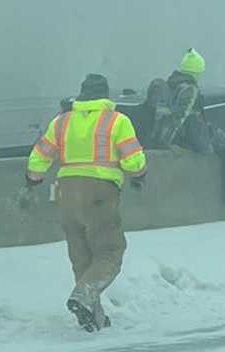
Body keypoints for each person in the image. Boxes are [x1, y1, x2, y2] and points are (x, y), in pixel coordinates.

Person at [22, 73, 146, 333]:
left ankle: (92, 315)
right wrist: (138, 175)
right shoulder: (117, 121)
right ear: (105, 95)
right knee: (110, 252)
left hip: (66, 192)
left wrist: (33, 181)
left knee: (81, 256)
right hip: (100, 193)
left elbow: (39, 157)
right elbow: (134, 161)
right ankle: (84, 295)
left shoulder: (61, 122)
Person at [137, 48, 225, 213]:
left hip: (188, 136)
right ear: (197, 72)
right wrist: (166, 144)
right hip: (194, 139)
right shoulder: (189, 89)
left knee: (223, 138)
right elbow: (177, 119)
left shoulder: (172, 84)